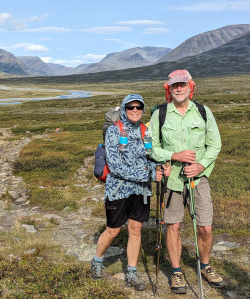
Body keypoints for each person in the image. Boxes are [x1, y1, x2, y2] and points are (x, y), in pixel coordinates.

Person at [148, 70, 225, 294]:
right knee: (173, 225)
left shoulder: (203, 111)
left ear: (190, 87)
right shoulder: (160, 114)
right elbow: (151, 147)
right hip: (172, 181)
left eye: (182, 84)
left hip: (198, 180)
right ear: (169, 89)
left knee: (206, 227)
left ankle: (205, 265)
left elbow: (215, 144)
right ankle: (176, 271)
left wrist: (201, 165)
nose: (179, 89)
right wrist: (174, 156)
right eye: (174, 86)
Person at [90, 93, 170, 291]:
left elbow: (150, 157)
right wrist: (147, 175)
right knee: (113, 230)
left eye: (138, 107)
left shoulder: (145, 131)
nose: (135, 111)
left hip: (141, 191)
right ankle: (97, 261)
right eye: (130, 107)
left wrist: (157, 169)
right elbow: (115, 167)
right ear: (124, 109)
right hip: (118, 190)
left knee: (135, 230)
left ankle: (132, 273)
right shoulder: (114, 131)